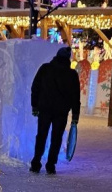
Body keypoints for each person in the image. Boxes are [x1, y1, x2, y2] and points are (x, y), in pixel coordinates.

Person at [30, 47, 81, 175]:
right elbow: (76, 96)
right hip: (61, 112)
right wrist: (75, 114)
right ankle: (51, 165)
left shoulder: (45, 69)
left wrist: (34, 105)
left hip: (45, 109)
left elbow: (35, 87)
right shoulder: (72, 74)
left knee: (41, 136)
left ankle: (36, 163)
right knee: (56, 138)